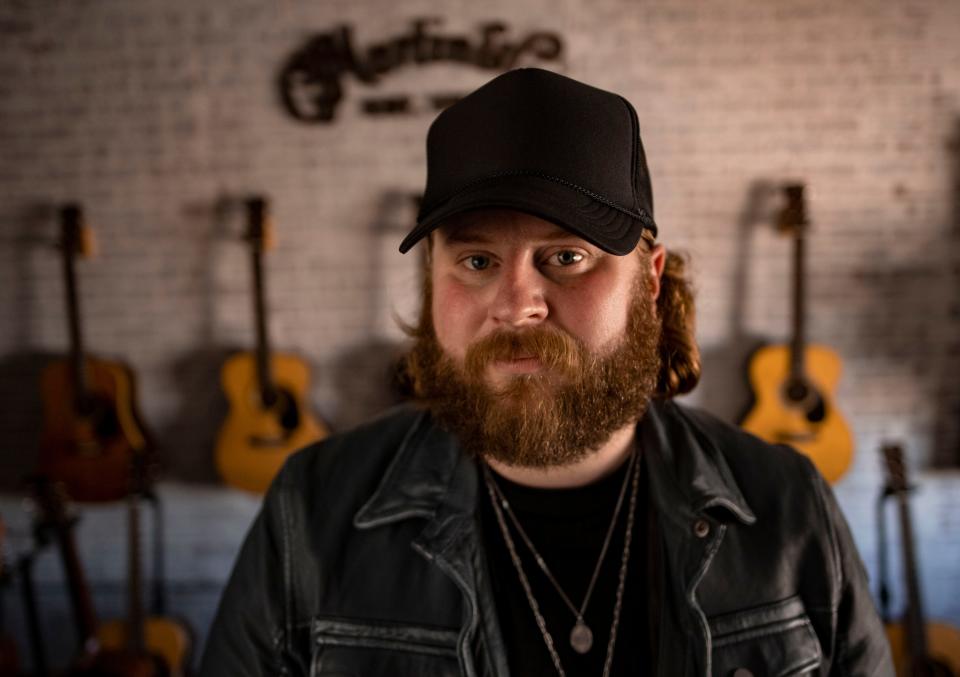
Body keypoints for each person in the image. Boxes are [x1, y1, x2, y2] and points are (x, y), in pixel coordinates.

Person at [200, 68, 892, 676]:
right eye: (476, 261)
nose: (516, 305)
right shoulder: (313, 515)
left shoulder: (787, 507)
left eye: (566, 257)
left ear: (649, 280)